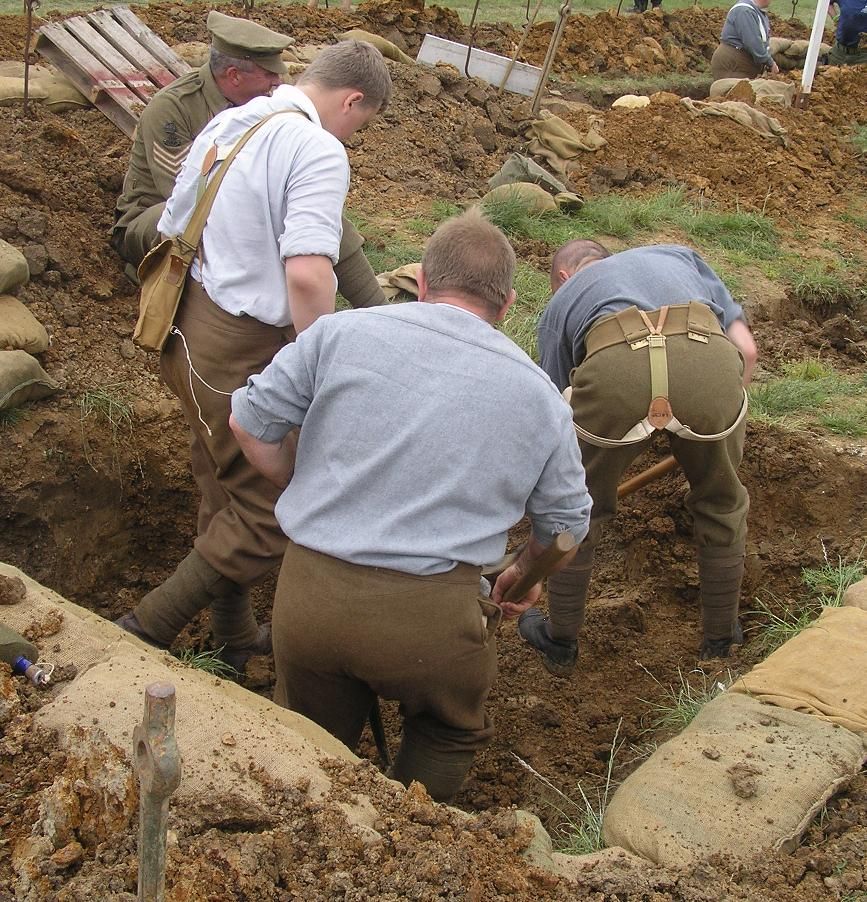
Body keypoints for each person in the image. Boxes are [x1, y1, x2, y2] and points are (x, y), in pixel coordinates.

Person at [228, 209, 592, 800]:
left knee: (309, 747)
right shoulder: (538, 394)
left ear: (421, 282)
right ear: (506, 306)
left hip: (311, 600)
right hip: (431, 624)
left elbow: (249, 424)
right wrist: (524, 576)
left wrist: (306, 484)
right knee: (449, 731)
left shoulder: (339, 333)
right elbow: (567, 529)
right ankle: (407, 838)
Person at [114, 41, 393, 671]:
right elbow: (309, 277)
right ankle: (144, 628)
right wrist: (318, 370)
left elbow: (173, 221)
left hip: (188, 331)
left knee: (224, 487)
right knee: (272, 510)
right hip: (238, 351)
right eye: (363, 121)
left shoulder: (237, 119)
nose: (357, 134)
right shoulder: (319, 148)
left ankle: (234, 637)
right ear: (352, 100)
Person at [519, 241, 758, 675]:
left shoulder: (561, 306)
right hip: (707, 359)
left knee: (580, 508)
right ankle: (722, 641)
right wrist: (716, 409)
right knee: (722, 503)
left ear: (564, 278)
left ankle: (561, 643)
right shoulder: (679, 255)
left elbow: (554, 413)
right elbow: (748, 349)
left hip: (615, 371)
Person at [112, 10, 384, 308]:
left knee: (310, 210)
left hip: (217, 211)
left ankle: (377, 310)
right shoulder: (173, 108)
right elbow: (192, 196)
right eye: (268, 74)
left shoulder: (266, 109)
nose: (278, 81)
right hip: (153, 219)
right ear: (234, 75)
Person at [711, 0, 780, 80]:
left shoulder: (757, 11)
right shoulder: (744, 11)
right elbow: (753, 43)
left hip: (742, 65)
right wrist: (770, 63)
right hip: (733, 65)